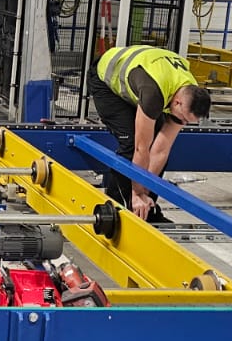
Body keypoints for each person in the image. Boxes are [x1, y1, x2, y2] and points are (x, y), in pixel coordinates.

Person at [89, 43, 212, 221]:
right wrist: (136, 193)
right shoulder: (154, 93)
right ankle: (118, 208)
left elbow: (161, 149)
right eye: (184, 118)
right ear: (177, 103)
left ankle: (146, 209)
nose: (183, 123)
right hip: (106, 82)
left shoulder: (188, 92)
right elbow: (141, 148)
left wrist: (145, 192)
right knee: (131, 144)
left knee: (154, 142)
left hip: (143, 81)